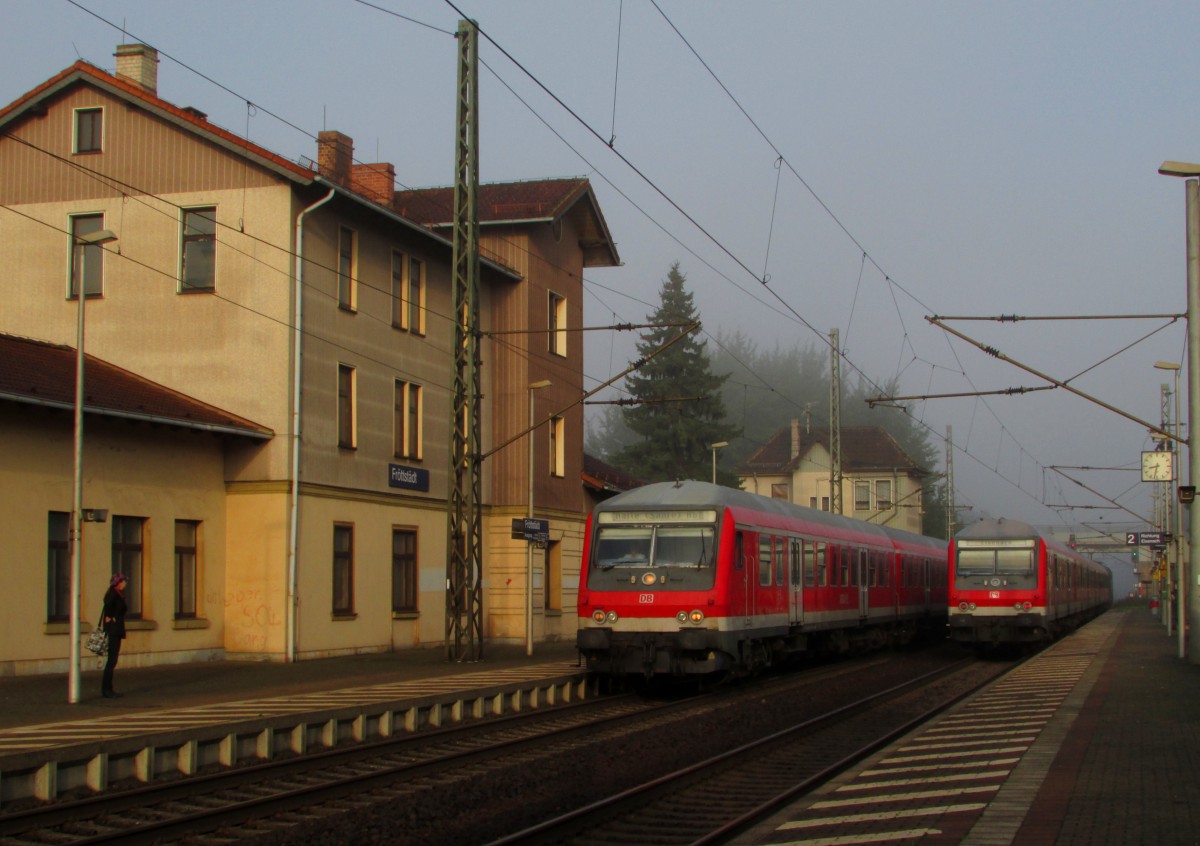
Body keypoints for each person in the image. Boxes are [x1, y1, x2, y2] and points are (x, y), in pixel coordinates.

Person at [101, 572, 128, 699]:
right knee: (111, 660)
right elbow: (108, 606)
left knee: (113, 660)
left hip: (116, 630)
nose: (125, 584)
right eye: (123, 581)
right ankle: (107, 689)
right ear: (118, 582)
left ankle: (108, 688)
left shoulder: (117, 594)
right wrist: (111, 618)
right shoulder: (113, 594)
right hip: (113, 631)